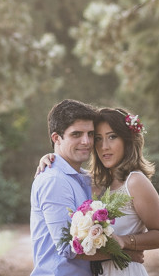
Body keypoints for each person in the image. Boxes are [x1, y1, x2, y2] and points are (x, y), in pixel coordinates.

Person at [38, 106, 159, 275]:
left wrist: (124, 242)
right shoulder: (93, 182)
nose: (104, 146)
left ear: (127, 140)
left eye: (112, 137)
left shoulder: (135, 181)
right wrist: (52, 159)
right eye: (98, 139)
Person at [31, 99, 133, 276]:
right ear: (57, 138)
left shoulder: (85, 178)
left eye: (91, 134)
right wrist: (127, 253)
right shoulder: (54, 180)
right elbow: (67, 248)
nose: (86, 141)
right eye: (76, 134)